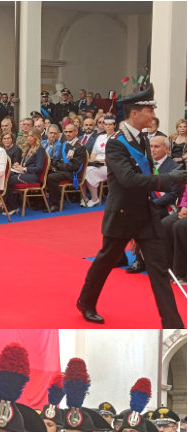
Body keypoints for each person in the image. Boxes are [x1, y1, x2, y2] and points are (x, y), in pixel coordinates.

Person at [77, 85, 188, 328]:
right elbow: (129, 180)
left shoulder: (143, 139)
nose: (153, 116)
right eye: (149, 110)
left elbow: (146, 174)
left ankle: (173, 323)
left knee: (158, 269)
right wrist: (172, 179)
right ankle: (86, 302)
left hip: (145, 214)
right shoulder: (116, 143)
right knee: (106, 261)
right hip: (122, 213)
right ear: (134, 113)